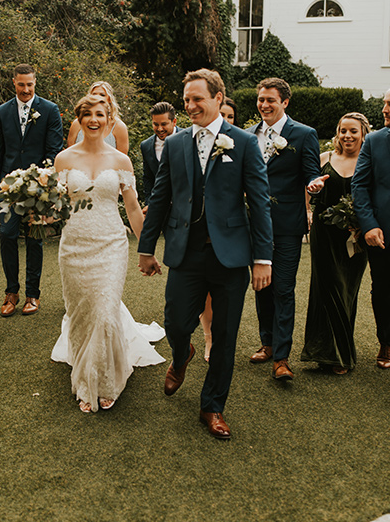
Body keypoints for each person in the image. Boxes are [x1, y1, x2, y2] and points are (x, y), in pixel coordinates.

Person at [138, 69, 273, 439]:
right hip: (186, 253)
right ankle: (182, 355)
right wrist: (147, 247)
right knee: (176, 323)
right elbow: (161, 196)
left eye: (198, 99)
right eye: (187, 100)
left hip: (230, 256)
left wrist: (263, 258)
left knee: (226, 336)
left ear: (217, 98)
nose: (191, 106)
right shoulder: (177, 143)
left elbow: (259, 203)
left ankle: (212, 406)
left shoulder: (243, 143)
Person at [51, 94, 165, 413]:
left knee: (104, 311)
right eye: (87, 114)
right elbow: (55, 208)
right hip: (73, 246)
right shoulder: (63, 160)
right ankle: (85, 381)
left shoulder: (120, 161)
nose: (93, 120)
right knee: (81, 315)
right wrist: (36, 210)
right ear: (79, 120)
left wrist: (147, 249)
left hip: (111, 244)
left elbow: (131, 208)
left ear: (108, 118)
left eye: (99, 114)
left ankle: (107, 380)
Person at [247, 78, 327, 381]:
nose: (264, 105)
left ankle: (281, 357)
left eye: (270, 100)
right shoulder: (246, 135)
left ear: (285, 103)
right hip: (253, 225)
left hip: (287, 226)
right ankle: (266, 343)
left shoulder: (304, 135)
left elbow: (311, 175)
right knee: (261, 285)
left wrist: (314, 185)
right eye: (261, 99)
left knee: (283, 287)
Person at [0, 63, 63, 317]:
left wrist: (47, 185)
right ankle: (11, 293)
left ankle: (33, 294)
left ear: (35, 82)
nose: (26, 89)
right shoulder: (2, 111)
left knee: (35, 240)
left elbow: (53, 152)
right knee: (7, 236)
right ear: (14, 83)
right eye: (21, 84)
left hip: (38, 188)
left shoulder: (50, 110)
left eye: (30, 84)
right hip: (8, 188)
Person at [301, 113, 370, 374]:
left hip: (355, 237)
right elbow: (308, 187)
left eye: (353, 131)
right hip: (324, 233)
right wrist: (309, 203)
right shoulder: (325, 158)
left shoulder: (368, 161)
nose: (347, 136)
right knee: (324, 288)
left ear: (363, 133)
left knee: (346, 290)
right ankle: (322, 352)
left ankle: (340, 354)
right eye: (343, 131)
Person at [352, 90, 390, 370]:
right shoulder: (375, 141)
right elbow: (360, 185)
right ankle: (386, 341)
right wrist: (370, 224)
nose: (385, 109)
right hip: (382, 234)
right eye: (385, 103)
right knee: (384, 289)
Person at [200, 96, 239, 362]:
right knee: (203, 293)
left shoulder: (242, 144)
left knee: (221, 294)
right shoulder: (195, 142)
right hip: (199, 232)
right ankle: (207, 336)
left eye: (231, 116)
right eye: (222, 114)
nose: (225, 119)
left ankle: (218, 339)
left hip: (229, 233)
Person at [67, 81, 129, 154]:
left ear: (109, 99)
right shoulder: (77, 124)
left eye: (102, 95)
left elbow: (121, 159)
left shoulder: (119, 127)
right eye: (94, 94)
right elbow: (69, 152)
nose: (97, 97)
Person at [140, 101, 180, 212]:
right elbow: (148, 178)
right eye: (155, 124)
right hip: (160, 208)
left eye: (164, 124)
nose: (160, 129)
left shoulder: (187, 139)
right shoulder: (146, 146)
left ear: (174, 122)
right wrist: (149, 204)